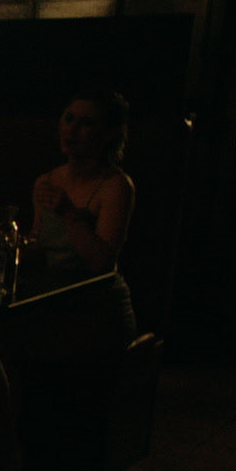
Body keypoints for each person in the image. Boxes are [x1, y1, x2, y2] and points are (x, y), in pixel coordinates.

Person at [26, 88, 138, 351]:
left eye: (86, 123)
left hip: (96, 308)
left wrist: (68, 213)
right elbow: (39, 246)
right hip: (52, 301)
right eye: (69, 118)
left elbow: (101, 263)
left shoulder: (115, 186)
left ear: (109, 134)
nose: (72, 130)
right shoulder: (46, 181)